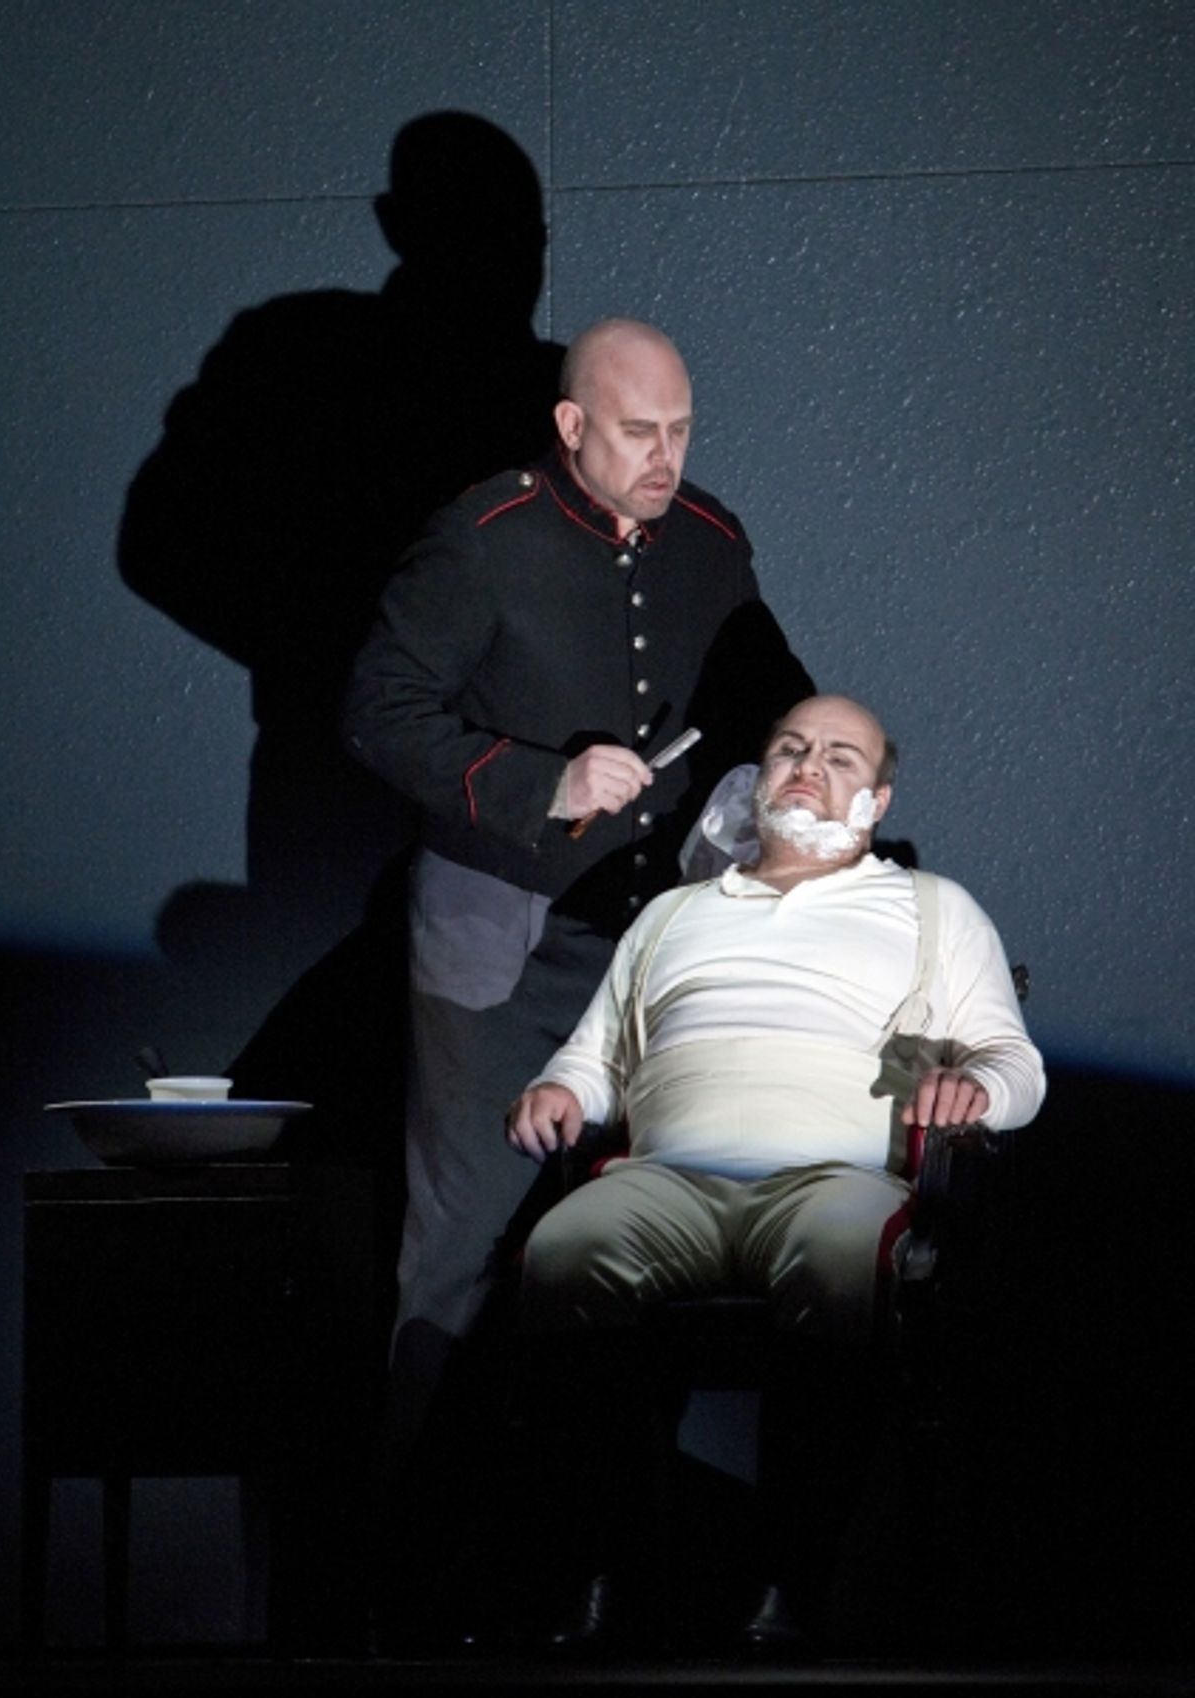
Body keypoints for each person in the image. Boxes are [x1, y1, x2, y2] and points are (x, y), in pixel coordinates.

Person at [341, 317, 814, 1633]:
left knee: (639, 1265)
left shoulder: (712, 542)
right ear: (569, 428)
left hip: (646, 960)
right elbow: (376, 707)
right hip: (501, 952)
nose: (665, 461)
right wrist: (538, 781)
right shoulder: (482, 539)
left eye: (681, 433)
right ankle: (411, 1598)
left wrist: (811, 762)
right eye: (636, 435)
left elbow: (764, 682)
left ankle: (591, 1574)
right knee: (464, 1257)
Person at [506, 693, 1046, 1653]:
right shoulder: (673, 915)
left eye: (842, 757)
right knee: (565, 1249)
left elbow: (1014, 1062)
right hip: (667, 1180)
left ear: (877, 800)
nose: (809, 764)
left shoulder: (930, 908)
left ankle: (791, 1578)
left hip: (830, 1183)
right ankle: (607, 1568)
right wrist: (558, 1092)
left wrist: (978, 1089)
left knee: (843, 1259)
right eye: (791, 748)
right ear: (758, 779)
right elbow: (593, 1059)